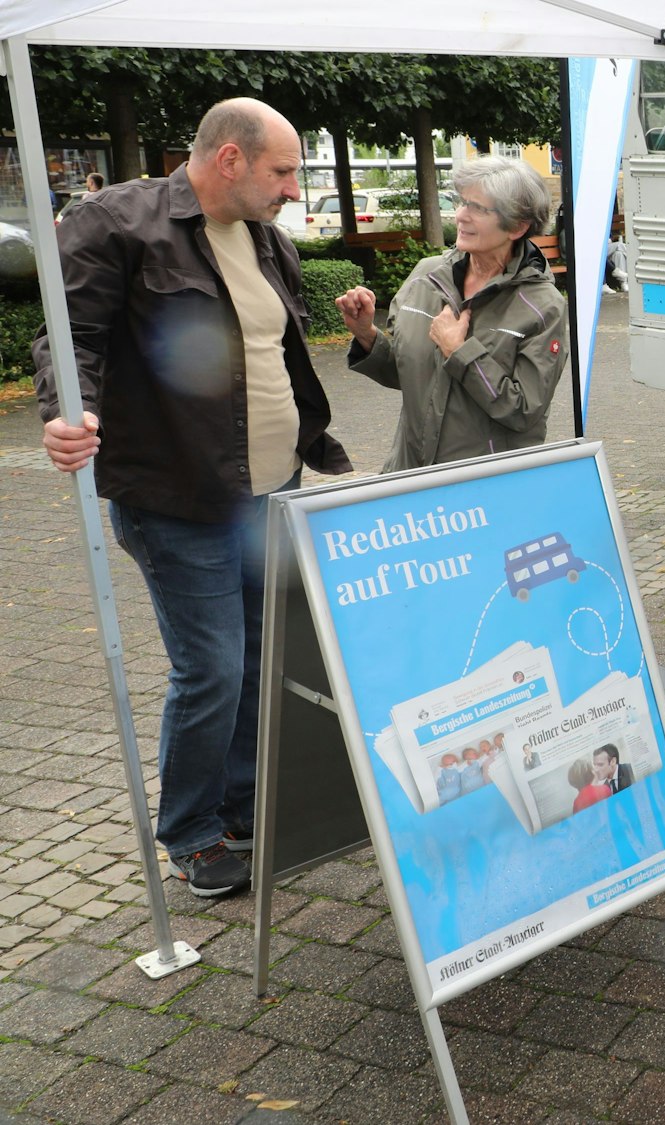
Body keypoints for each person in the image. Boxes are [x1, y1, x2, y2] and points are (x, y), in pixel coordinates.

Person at [34, 98, 349, 899]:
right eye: (283, 171)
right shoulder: (119, 221)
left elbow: (271, 351)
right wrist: (69, 410)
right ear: (232, 160)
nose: (293, 189)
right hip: (179, 496)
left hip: (273, 488)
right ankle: (191, 830)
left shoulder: (266, 239)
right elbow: (71, 334)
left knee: (259, 655)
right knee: (210, 666)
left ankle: (244, 804)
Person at [334, 155, 567, 471]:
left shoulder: (542, 306)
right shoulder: (426, 276)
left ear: (518, 226)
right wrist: (366, 334)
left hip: (483, 489)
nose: (460, 216)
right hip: (409, 474)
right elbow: (411, 374)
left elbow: (523, 412)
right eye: (462, 202)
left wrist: (460, 352)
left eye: (478, 209)